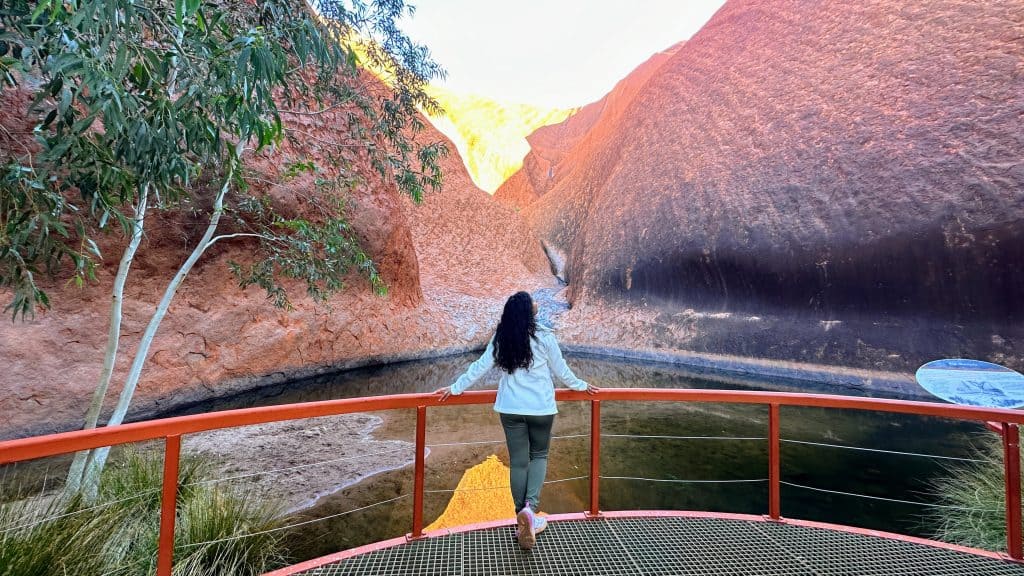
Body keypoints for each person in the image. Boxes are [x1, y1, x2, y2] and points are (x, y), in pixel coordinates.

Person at [435, 291, 598, 549]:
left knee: (519, 463)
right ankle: (531, 511)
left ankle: (520, 515)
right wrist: (581, 385)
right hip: (541, 409)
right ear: (528, 311)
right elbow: (562, 370)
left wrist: (454, 388)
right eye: (531, 300)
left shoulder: (503, 337)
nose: (536, 302)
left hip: (511, 409)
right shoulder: (544, 336)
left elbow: (480, 366)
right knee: (540, 456)